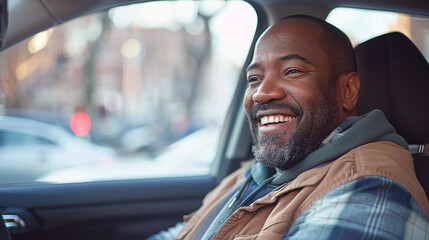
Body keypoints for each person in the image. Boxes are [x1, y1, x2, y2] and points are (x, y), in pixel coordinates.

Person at [148, 15, 429, 240]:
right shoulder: (254, 174)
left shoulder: (371, 189)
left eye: (292, 71)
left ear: (347, 90)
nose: (262, 93)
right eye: (254, 78)